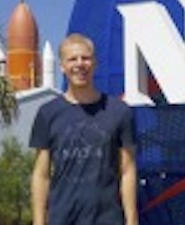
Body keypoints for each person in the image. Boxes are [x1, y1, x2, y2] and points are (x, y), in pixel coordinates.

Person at [30, 33, 138, 225]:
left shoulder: (119, 111)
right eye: (72, 59)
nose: (80, 64)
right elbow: (41, 174)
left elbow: (127, 170)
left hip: (108, 219)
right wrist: (39, 221)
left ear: (95, 63)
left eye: (85, 58)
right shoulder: (47, 113)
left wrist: (132, 220)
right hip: (62, 218)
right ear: (62, 67)